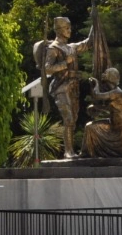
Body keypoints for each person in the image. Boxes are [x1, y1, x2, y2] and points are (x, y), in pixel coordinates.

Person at [33, 16, 90, 158]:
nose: (70, 30)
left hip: (73, 87)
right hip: (61, 88)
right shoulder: (53, 48)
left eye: (70, 27)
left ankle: (71, 150)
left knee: (73, 120)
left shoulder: (71, 47)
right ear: (58, 30)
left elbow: (88, 43)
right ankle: (68, 152)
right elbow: (48, 69)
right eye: (66, 28)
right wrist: (65, 63)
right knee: (68, 119)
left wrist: (96, 23)